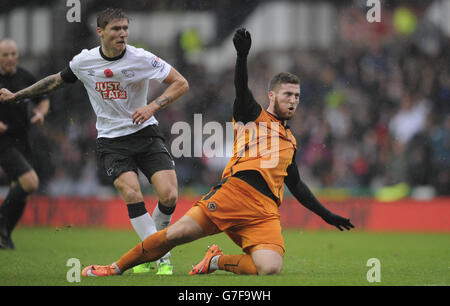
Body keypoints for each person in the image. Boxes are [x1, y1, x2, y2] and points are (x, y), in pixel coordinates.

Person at [79, 28, 354, 277]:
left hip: (265, 213)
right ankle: (114, 268)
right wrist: (242, 56)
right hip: (233, 196)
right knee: (174, 235)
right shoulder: (252, 116)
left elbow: (296, 184)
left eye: (296, 96)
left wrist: (326, 214)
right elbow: (241, 89)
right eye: (287, 95)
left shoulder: (290, 141)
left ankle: (216, 261)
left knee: (269, 268)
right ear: (272, 96)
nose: (293, 101)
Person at [0, 8, 189, 275]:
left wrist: (152, 107)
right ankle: (162, 255)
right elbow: (54, 82)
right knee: (133, 193)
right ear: (100, 32)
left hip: (145, 133)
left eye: (125, 29)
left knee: (169, 195)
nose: (122, 34)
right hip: (112, 141)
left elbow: (181, 83)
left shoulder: (142, 58)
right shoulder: (84, 62)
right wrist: (17, 95)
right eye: (115, 29)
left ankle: (151, 251)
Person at [0, 39, 50, 249]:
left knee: (19, 190)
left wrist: (40, 113)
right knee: (30, 183)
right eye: (5, 55)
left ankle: (5, 237)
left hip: (23, 139)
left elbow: (44, 98)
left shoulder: (25, 76)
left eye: (13, 54)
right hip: (3, 141)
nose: (11, 58)